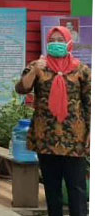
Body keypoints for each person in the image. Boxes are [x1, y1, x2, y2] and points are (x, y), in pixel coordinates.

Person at [16, 26, 90, 216]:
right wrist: (34, 71)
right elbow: (21, 89)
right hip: (46, 138)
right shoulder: (37, 66)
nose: (56, 43)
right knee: (51, 188)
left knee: (77, 188)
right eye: (52, 40)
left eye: (60, 40)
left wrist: (91, 132)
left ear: (69, 43)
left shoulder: (82, 70)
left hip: (74, 139)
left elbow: (90, 103)